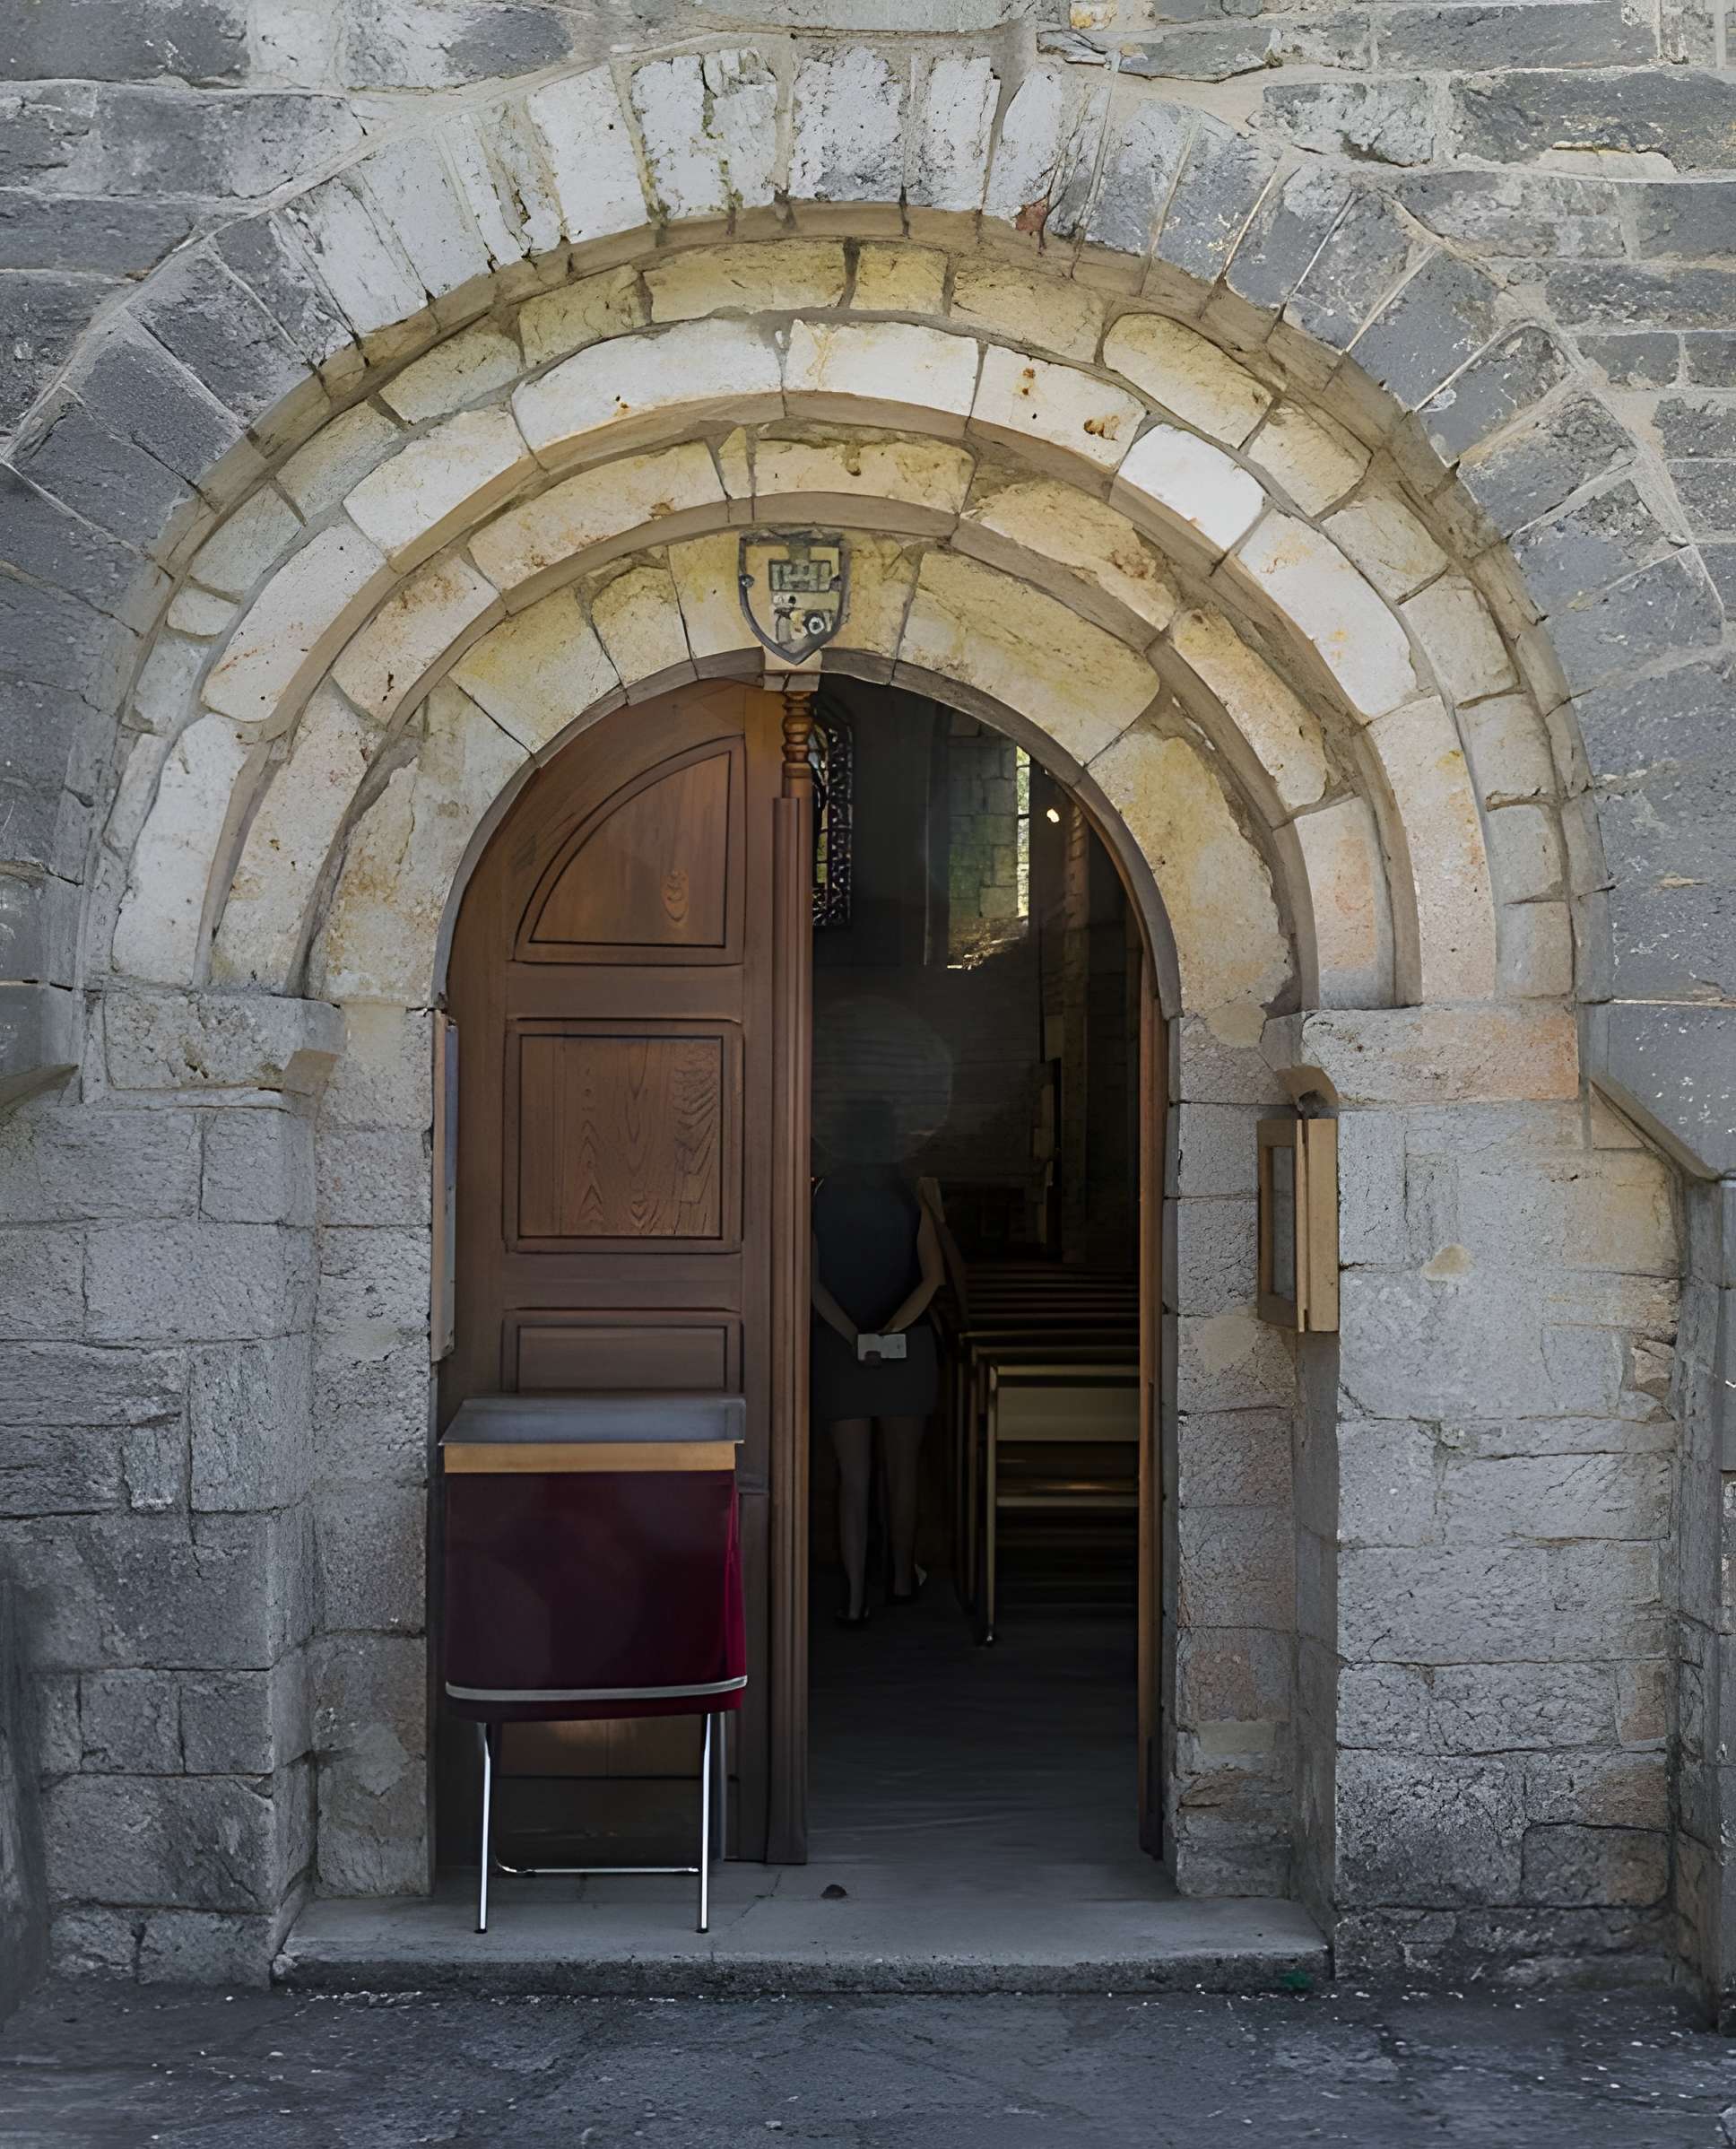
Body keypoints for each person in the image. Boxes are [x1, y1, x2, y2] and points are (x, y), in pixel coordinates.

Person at [811, 1098, 944, 1624]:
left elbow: (811, 1281)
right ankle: (901, 1578)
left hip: (840, 1349)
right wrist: (891, 1331)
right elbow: (933, 1277)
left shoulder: (819, 1197)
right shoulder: (911, 1196)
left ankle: (853, 1597)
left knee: (854, 1477)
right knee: (903, 1473)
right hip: (906, 1349)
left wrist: (854, 1335)